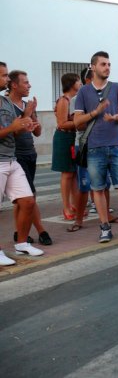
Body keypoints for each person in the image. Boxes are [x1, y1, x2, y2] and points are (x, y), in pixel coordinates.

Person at [74, 51, 118, 245]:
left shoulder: (116, 88)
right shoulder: (83, 92)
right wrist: (95, 112)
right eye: (103, 64)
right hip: (94, 147)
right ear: (93, 67)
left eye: (109, 64)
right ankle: (105, 228)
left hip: (116, 146)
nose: (107, 67)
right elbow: (76, 122)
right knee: (98, 189)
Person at [0, 61, 41, 265]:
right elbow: (8, 130)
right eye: (3, 76)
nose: (6, 80)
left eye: (7, 75)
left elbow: (13, 130)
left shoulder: (5, 103)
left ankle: (22, 243)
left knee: (27, 201)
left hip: (11, 159)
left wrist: (26, 121)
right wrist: (13, 127)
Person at [7, 70, 52, 245]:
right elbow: (13, 132)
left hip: (30, 153)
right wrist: (26, 114)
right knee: (29, 196)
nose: (29, 85)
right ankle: (42, 230)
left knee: (21, 200)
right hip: (16, 156)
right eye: (25, 82)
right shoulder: (7, 106)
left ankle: (19, 233)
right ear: (14, 85)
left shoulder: (27, 105)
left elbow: (38, 132)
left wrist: (33, 115)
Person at [52, 72, 81, 221]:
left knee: (74, 173)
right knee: (67, 173)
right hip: (64, 137)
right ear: (71, 83)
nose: (80, 83)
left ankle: (76, 204)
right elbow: (62, 123)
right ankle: (66, 206)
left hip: (71, 137)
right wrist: (80, 121)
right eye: (78, 81)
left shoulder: (73, 99)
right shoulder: (64, 100)